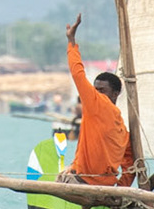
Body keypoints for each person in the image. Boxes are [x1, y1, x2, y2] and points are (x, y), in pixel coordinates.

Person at [57, 13, 132, 185]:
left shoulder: (97, 104)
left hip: (85, 183)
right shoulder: (123, 130)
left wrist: (71, 43)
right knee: (66, 172)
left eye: (101, 90)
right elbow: (130, 163)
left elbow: (77, 74)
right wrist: (120, 189)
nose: (95, 93)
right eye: (95, 89)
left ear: (115, 94)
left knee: (58, 181)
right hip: (107, 186)